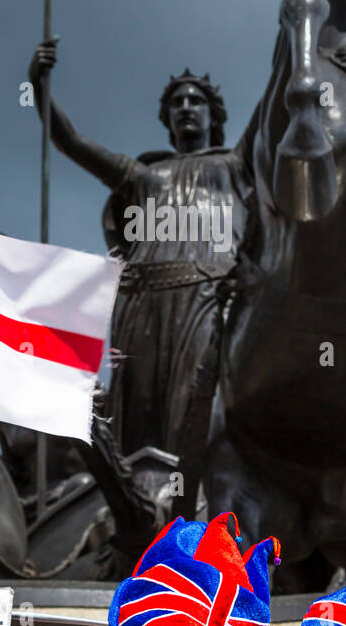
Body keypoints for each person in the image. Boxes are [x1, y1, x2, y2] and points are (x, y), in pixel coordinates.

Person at [29, 40, 254, 464]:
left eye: (196, 101)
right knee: (138, 414)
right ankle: (139, 507)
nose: (186, 107)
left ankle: (203, 499)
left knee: (199, 403)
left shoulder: (237, 164)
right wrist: (39, 87)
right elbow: (70, 141)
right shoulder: (142, 173)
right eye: (177, 103)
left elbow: (275, 118)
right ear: (167, 120)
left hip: (209, 297)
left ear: (214, 115)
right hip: (143, 305)